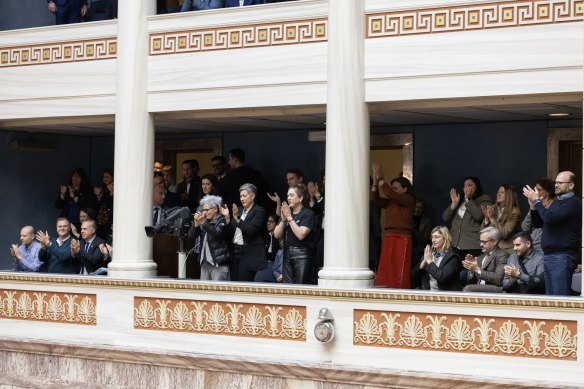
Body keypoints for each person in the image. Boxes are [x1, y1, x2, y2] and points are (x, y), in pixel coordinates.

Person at [523, 171, 582, 296]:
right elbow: (539, 223)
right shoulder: (557, 202)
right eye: (555, 182)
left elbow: (550, 218)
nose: (556, 185)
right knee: (551, 298)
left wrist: (538, 202)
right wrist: (533, 206)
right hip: (549, 255)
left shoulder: (573, 202)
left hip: (562, 256)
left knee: (559, 297)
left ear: (571, 185)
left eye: (560, 183)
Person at [370, 162, 416, 288]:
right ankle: (385, 289)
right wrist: (375, 183)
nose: (393, 190)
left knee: (399, 267)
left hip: (402, 237)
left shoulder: (408, 199)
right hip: (389, 235)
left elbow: (390, 193)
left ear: (405, 189)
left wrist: (381, 179)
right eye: (393, 188)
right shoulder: (392, 201)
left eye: (396, 188)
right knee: (387, 265)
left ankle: (400, 292)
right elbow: (375, 200)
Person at [221, 183, 267, 282]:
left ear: (253, 196)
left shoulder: (259, 211)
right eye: (240, 196)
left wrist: (237, 219)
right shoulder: (239, 210)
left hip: (248, 254)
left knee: (243, 287)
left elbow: (251, 230)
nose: (242, 199)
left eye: (244, 196)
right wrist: (228, 219)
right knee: (234, 286)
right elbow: (231, 233)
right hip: (235, 252)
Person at [273, 184, 315, 284]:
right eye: (288, 196)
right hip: (287, 253)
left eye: (292, 195)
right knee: (287, 287)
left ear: (300, 198)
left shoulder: (307, 213)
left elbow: (301, 235)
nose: (288, 198)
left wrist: (289, 218)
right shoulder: (287, 212)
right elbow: (276, 235)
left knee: (300, 288)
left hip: (302, 255)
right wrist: (283, 219)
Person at [442, 176, 492, 259]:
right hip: (454, 244)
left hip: (472, 245)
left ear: (477, 187)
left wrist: (468, 200)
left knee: (468, 271)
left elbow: (479, 216)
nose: (466, 188)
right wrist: (453, 204)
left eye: (469, 185)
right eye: (465, 186)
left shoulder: (484, 199)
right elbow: (445, 218)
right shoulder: (459, 200)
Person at [189, 195, 230, 281]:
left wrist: (203, 222)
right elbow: (191, 236)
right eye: (203, 210)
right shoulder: (204, 221)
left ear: (215, 209)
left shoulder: (222, 220)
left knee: (217, 293)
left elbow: (217, 233)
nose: (205, 212)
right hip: (204, 263)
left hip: (218, 264)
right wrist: (196, 225)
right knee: (204, 293)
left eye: (207, 210)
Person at [411, 226, 462, 291]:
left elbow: (441, 277)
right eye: (432, 237)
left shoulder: (453, 257)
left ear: (445, 238)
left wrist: (430, 262)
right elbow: (413, 277)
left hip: (446, 295)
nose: (433, 240)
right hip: (428, 292)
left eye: (437, 237)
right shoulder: (429, 254)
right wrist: (422, 264)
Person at [462, 227, 509, 292]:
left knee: (468, 289)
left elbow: (499, 279)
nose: (481, 245)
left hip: (495, 290)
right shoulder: (480, 257)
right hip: (478, 288)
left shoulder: (503, 255)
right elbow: (470, 281)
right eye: (480, 241)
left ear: (494, 242)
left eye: (484, 242)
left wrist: (478, 270)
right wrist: (472, 270)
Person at [481, 184, 521, 253]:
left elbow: (504, 233)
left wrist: (492, 218)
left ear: (509, 196)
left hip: (506, 250)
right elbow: (482, 232)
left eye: (502, 192)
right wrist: (486, 218)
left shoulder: (514, 212)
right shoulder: (492, 208)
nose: (498, 194)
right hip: (491, 249)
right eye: (498, 192)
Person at [521, 177, 555, 251]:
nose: (536, 193)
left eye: (539, 190)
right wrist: (532, 208)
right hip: (532, 245)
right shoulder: (535, 205)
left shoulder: (554, 206)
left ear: (548, 191)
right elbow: (525, 228)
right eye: (535, 190)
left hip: (544, 246)